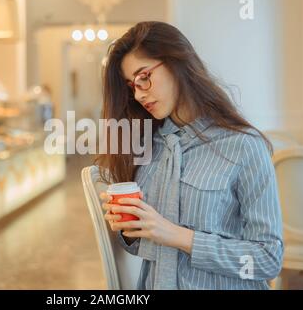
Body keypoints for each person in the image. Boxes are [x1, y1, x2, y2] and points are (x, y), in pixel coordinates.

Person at [97, 21, 283, 290]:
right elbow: (150, 250)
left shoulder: (243, 145)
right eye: (131, 86)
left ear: (176, 62)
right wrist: (131, 229)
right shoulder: (150, 147)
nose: (138, 94)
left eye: (143, 77)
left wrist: (177, 236)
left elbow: (268, 259)